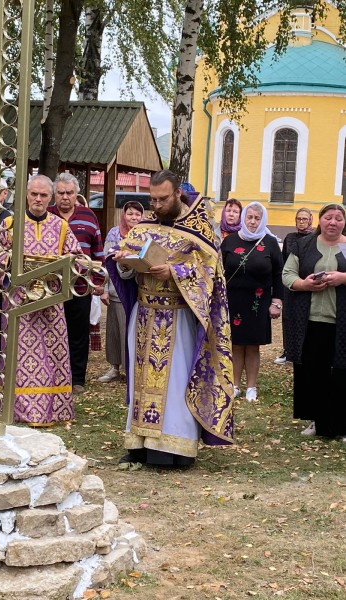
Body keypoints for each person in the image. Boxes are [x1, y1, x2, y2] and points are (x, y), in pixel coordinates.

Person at [108, 169, 234, 467]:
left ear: (178, 193)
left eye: (163, 199)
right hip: (143, 316)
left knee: (176, 383)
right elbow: (125, 264)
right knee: (140, 381)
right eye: (152, 200)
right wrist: (124, 262)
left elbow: (210, 273)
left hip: (177, 319)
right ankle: (138, 445)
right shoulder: (143, 226)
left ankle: (176, 448)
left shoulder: (199, 228)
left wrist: (175, 272)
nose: (156, 206)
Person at [0, 175, 81, 425]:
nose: (38, 199)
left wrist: (60, 268)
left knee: (52, 354)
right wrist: (13, 263)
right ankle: (19, 411)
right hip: (18, 302)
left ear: (51, 197)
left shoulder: (61, 226)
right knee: (19, 356)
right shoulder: (10, 224)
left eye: (44, 195)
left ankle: (54, 409)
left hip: (50, 301)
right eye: (34, 194)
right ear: (26, 194)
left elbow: (76, 258)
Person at [283, 203, 346, 440]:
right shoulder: (304, 245)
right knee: (313, 371)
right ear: (320, 220)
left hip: (341, 322)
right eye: (328, 217)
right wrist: (305, 284)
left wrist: (343, 278)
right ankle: (315, 420)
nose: (333, 222)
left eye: (338, 218)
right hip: (309, 320)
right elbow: (287, 274)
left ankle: (340, 423)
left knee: (340, 373)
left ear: (344, 222)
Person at [48, 173, 105, 394]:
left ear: (76, 194)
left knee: (78, 334)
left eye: (69, 193)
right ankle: (53, 376)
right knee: (53, 332)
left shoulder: (89, 216)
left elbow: (98, 249)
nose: (64, 197)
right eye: (60, 192)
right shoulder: (47, 215)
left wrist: (98, 281)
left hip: (81, 286)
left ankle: (77, 378)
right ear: (55, 194)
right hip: (51, 287)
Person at [221, 202, 283, 402]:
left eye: (257, 218)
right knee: (236, 344)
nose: (253, 221)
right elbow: (219, 272)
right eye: (249, 217)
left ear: (262, 219)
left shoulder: (270, 242)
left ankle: (251, 387)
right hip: (233, 300)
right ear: (243, 219)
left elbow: (278, 274)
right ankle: (236, 385)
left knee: (253, 345)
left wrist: (276, 301)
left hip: (259, 301)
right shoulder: (229, 241)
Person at [99, 200, 144, 383]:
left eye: (137, 214)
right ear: (123, 215)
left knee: (130, 330)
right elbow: (107, 260)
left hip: (136, 288)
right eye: (130, 213)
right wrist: (104, 289)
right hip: (117, 288)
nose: (134, 217)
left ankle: (130, 369)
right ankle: (114, 367)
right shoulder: (114, 233)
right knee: (114, 330)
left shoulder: (145, 233)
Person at [274, 207, 314, 365]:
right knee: (288, 318)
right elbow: (284, 262)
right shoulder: (290, 238)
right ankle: (288, 351)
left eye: (305, 219)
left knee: (304, 319)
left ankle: (303, 350)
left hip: (306, 282)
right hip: (290, 283)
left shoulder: (314, 238)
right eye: (299, 219)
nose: (302, 221)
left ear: (311, 220)